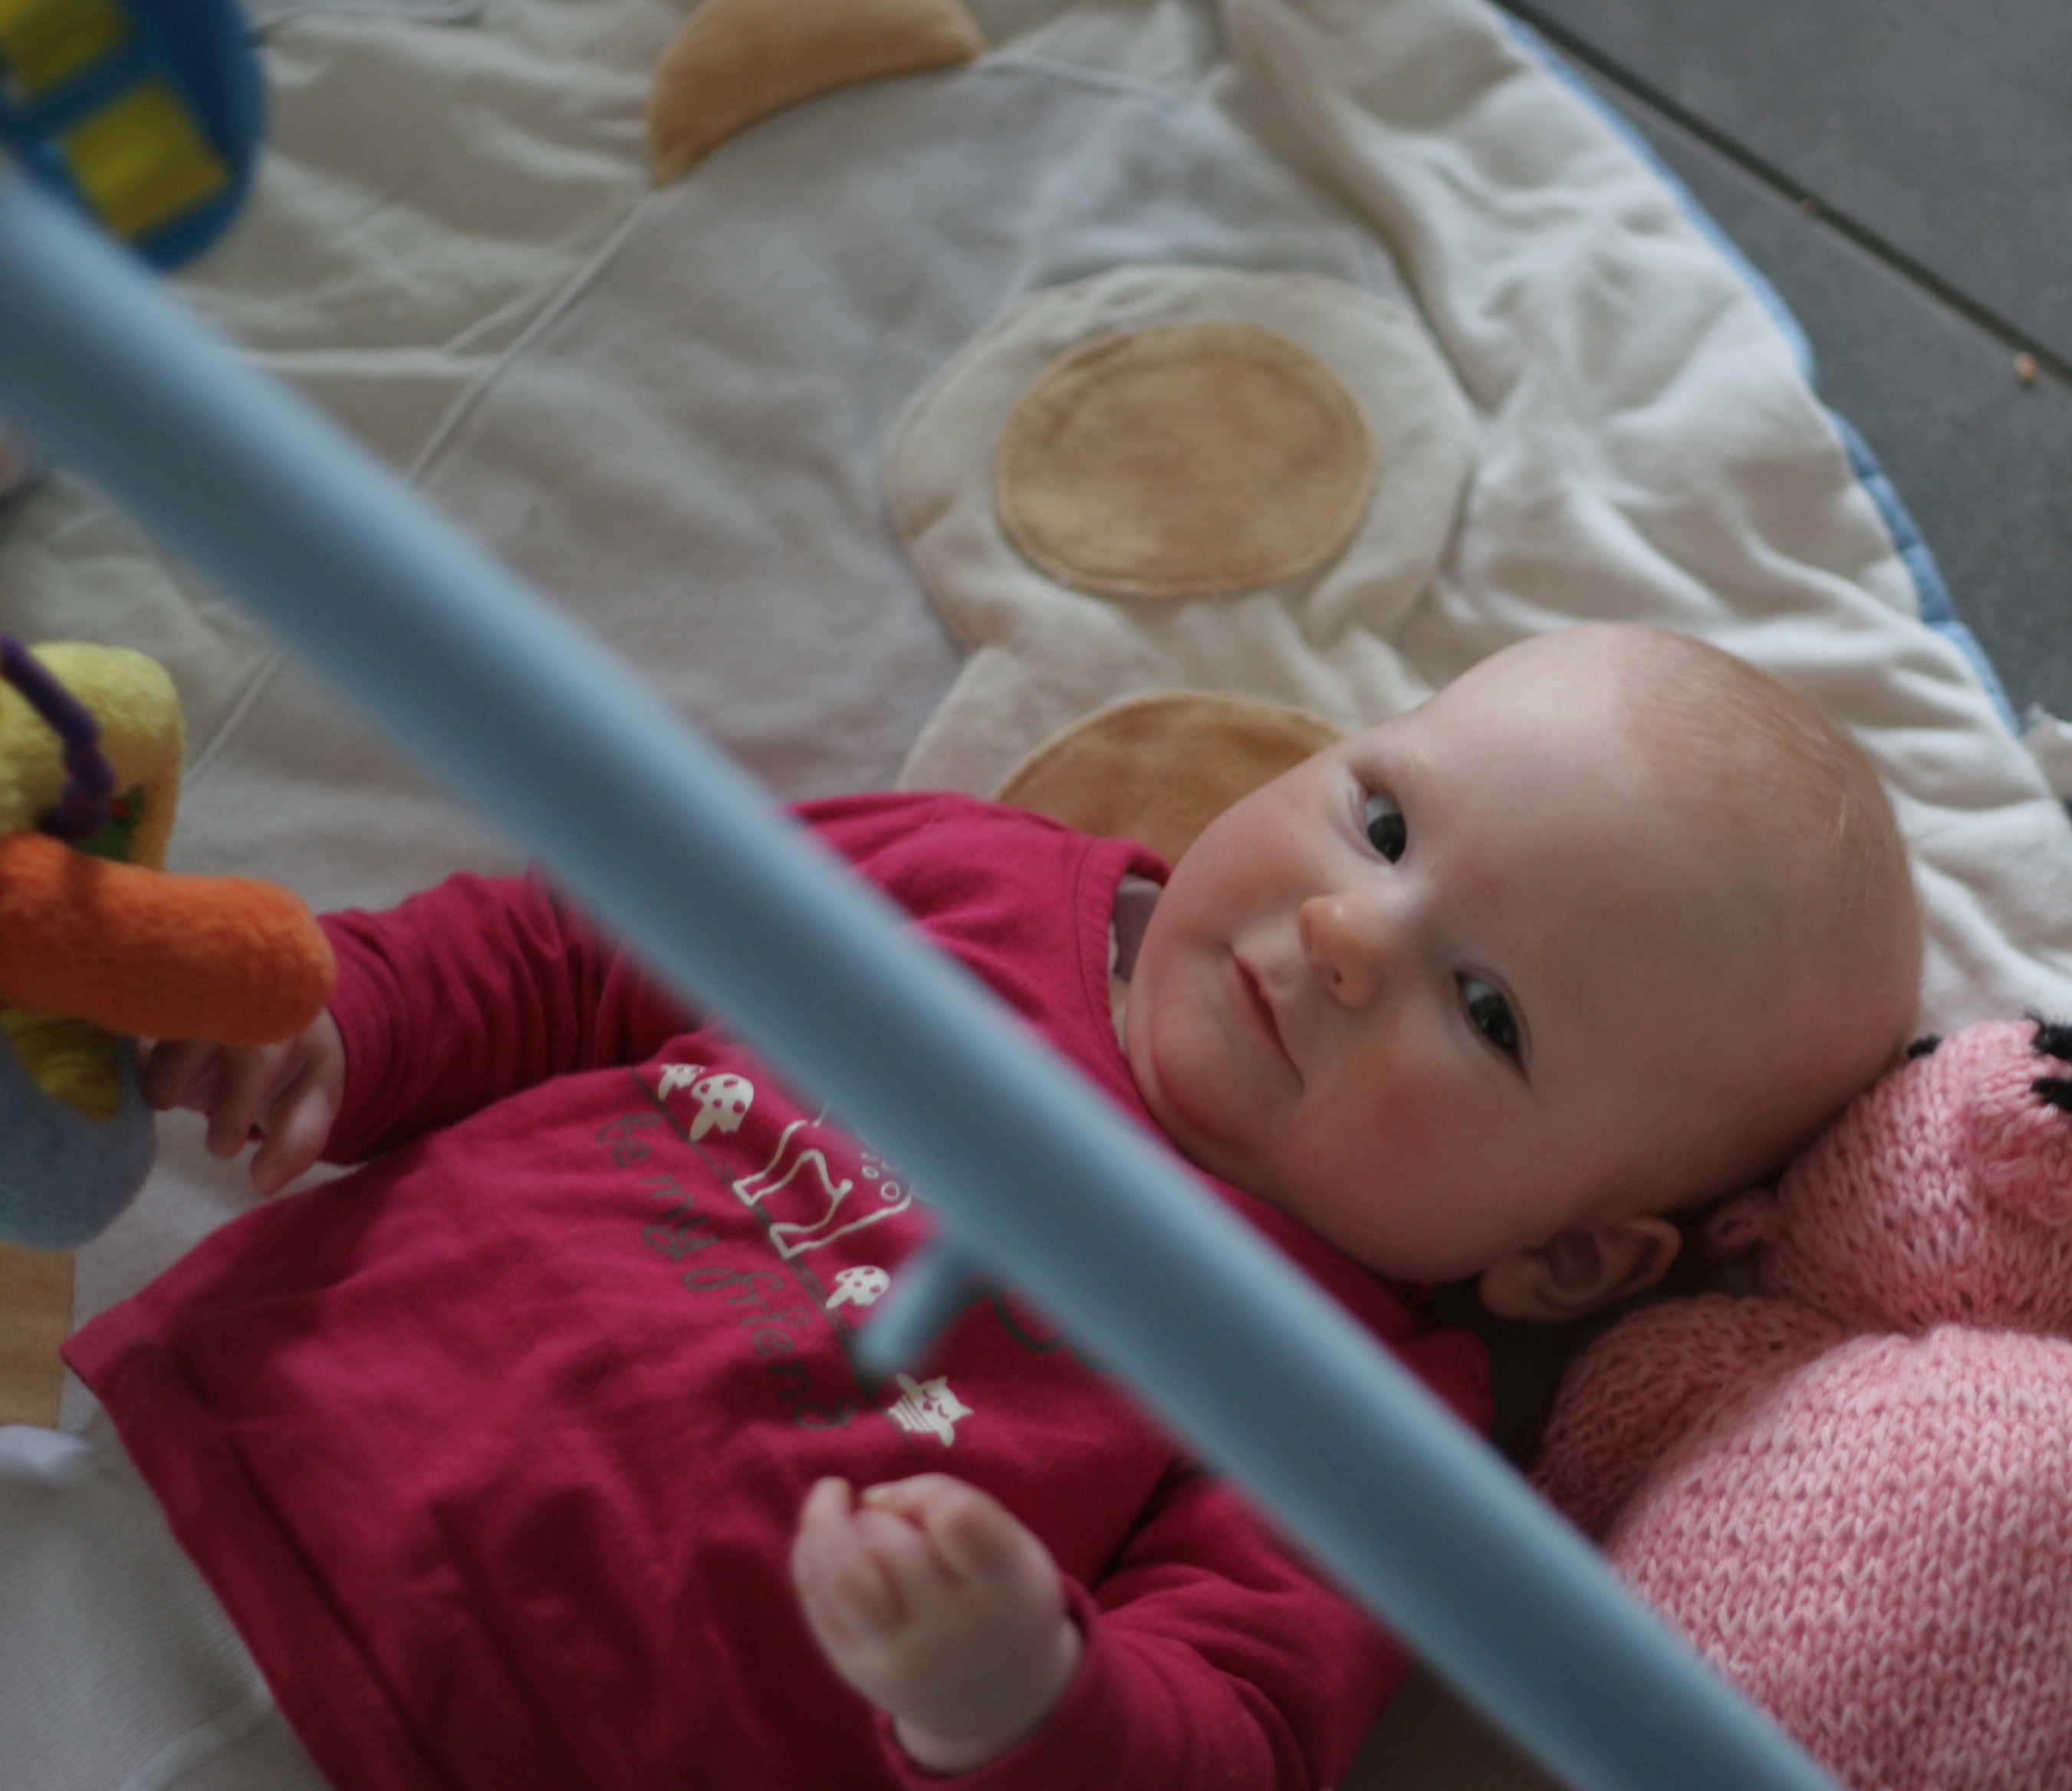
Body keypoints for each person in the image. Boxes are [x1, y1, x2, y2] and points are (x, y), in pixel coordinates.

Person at [67, 623, 1922, 1789]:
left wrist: (1027, 1693)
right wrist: (351, 1010)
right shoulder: (971, 876)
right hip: (201, 1446)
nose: (1354, 933)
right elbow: (579, 946)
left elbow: (1237, 1734)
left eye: (1489, 1008)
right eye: (1382, 822)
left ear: (1570, 1256)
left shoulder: (1360, 1419)